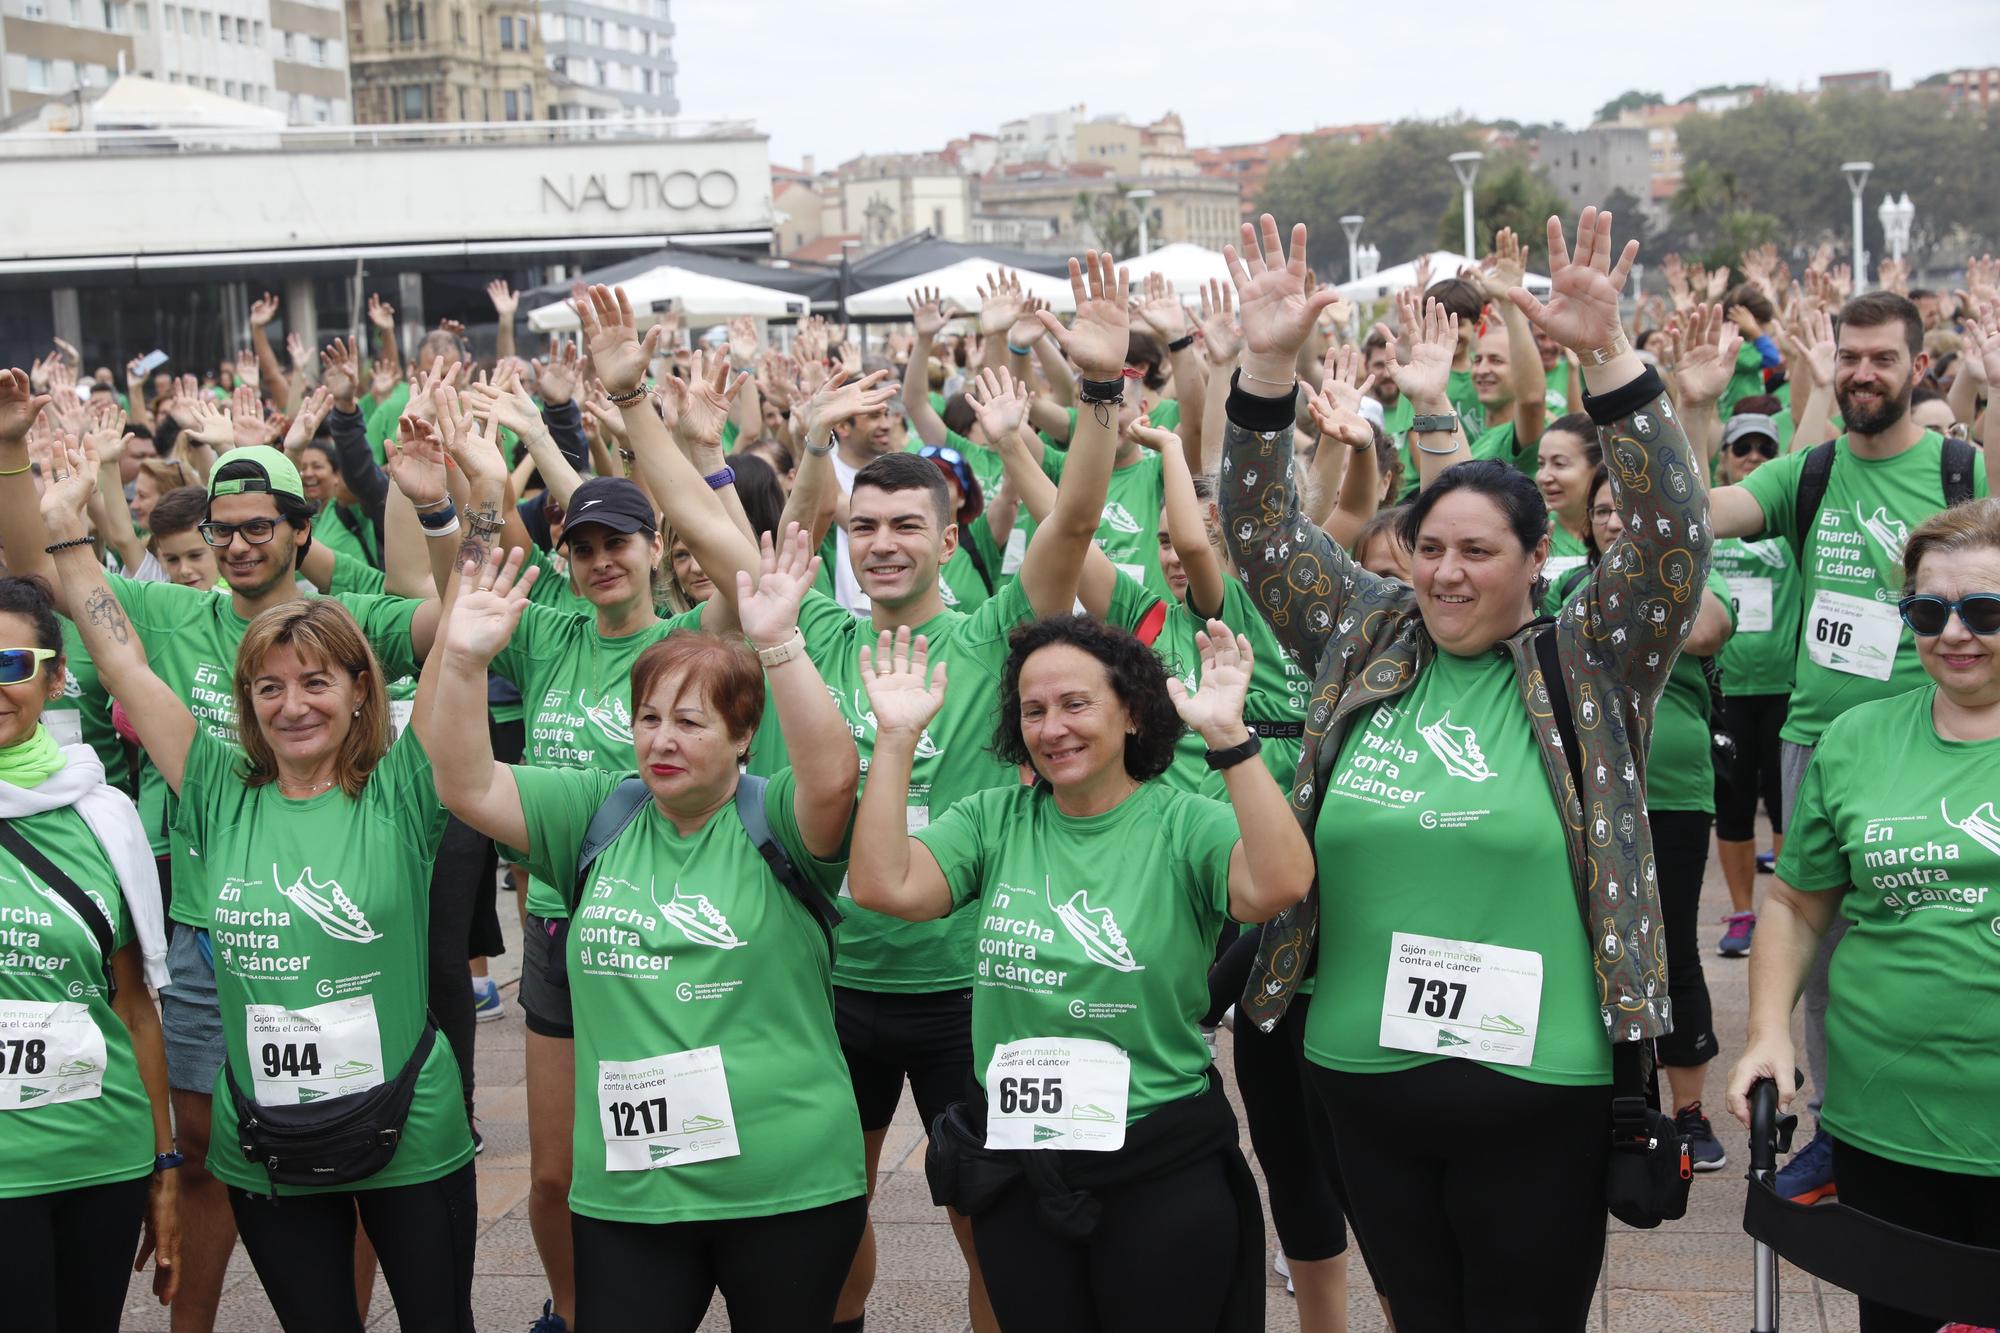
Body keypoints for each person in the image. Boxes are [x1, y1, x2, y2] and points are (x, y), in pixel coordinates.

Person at [585, 263, 1146, 1333]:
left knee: (993, 1231)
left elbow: (1070, 522)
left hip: (962, 986)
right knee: (825, 1224)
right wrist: (626, 403)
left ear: (947, 537)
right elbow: (706, 533)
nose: (883, 543)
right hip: (826, 986)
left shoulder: (990, 635)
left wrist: (1099, 391)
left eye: (904, 526)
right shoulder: (816, 637)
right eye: (864, 527)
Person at [1224, 210, 1708, 1330]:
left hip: (1541, 1086)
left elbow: (1675, 529)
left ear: (1538, 561)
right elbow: (1255, 529)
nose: (1445, 574)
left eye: (1477, 551)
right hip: (1358, 1070)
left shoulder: (1592, 659)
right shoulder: (1363, 633)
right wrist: (1261, 368)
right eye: (1429, 547)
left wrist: (1609, 361)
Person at [0, 371, 447, 1333]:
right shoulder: (195, 717)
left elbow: (458, 628)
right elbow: (90, 622)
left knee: (408, 1243)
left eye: (316, 683)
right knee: (258, 1221)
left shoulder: (380, 709)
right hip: (236, 1022)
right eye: (269, 688)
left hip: (386, 1032)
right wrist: (34, 479)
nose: (293, 703)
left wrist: (445, 510)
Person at [431, 530, 871, 1331]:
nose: (662, 739)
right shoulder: (599, 808)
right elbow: (466, 782)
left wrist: (778, 643)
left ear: (743, 736)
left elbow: (835, 776)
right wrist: (462, 662)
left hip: (782, 1183)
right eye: (648, 717)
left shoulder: (774, 816)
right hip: (631, 1189)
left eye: (691, 722)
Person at [848, 602, 1313, 1331]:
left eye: (1075, 703)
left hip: (1156, 1159)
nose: (1052, 726)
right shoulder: (994, 819)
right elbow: (884, 884)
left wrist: (1228, 735)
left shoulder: (1181, 819)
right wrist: (897, 738)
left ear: (1131, 712)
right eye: (1033, 710)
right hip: (1021, 1159)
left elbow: (1280, 882)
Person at [1705, 290, 1991, 1204]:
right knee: (1816, 936)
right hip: (1824, 741)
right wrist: (1689, 405)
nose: (1865, 372)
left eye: (1884, 357)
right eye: (1851, 356)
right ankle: (1836, 1119)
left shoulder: (1957, 467)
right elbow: (1702, 513)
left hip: (1950, 729)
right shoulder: (1810, 472)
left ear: (1916, 367)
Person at [1728, 498, 2000, 1333]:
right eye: (1927, 610)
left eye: (1984, 610)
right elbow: (1798, 905)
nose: (1953, 632)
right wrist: (1768, 1030)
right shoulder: (1854, 737)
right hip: (1885, 1120)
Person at [0, 574, 180, 1332]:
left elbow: (134, 1006)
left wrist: (165, 1170)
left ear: (55, 675)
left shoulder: (103, 813)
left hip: (99, 1154)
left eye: (10, 662)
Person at [1563, 465, 1736, 1168]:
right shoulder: (1562, 588)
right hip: (1587, 789)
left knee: (1675, 949)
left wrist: (1645, 588)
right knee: (1597, 945)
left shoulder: (1693, 584)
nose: (1614, 521)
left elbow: (1710, 630)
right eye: (1604, 510)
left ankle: (1690, 1112)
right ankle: (1620, 1101)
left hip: (1671, 790)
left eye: (1629, 511)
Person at [1707, 407, 1802, 956]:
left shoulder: (1785, 519)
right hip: (1728, 691)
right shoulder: (1713, 519)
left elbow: (1807, 447)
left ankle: (1779, 913)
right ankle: (1743, 912)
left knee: (1787, 805)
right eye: (1742, 449)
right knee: (1735, 805)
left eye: (1765, 451)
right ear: (1724, 458)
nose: (1753, 459)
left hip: (1784, 687)